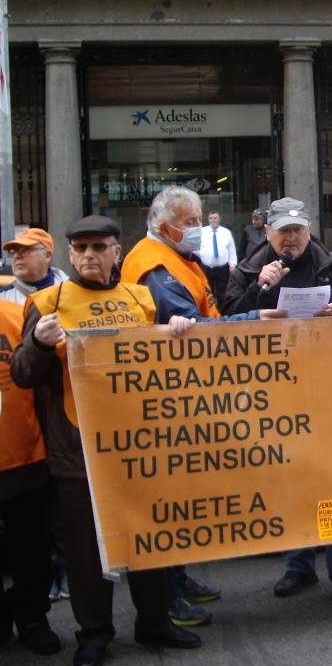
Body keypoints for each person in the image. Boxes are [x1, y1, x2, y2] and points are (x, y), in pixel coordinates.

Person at [12, 215, 202, 666]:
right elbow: (21, 373)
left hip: (141, 446)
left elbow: (165, 363)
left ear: (118, 252)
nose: (89, 256)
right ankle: (94, 633)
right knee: (84, 551)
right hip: (78, 453)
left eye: (99, 247)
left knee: (150, 538)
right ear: (70, 255)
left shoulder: (141, 298)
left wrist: (177, 329)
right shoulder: (48, 302)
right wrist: (38, 344)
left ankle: (153, 622)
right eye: (80, 249)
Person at [224, 198, 332, 606]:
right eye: (284, 231)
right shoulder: (248, 269)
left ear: (308, 230)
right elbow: (226, 321)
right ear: (268, 233)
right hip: (275, 391)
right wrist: (260, 288)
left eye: (298, 230)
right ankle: (299, 566)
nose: (292, 238)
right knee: (290, 479)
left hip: (331, 388)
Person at [120, 187, 233, 626]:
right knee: (166, 498)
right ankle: (165, 595)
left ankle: (178, 576)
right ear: (165, 226)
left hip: (189, 390)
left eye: (199, 219)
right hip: (167, 397)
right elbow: (194, 327)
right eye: (190, 222)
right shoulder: (153, 266)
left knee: (181, 494)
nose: (199, 228)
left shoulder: (176, 258)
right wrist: (252, 325)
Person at [0, 298, 60, 658]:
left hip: (23, 453)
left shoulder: (13, 312)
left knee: (31, 547)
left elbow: (35, 373)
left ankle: (33, 618)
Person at [0, 228, 69, 304]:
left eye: (25, 250)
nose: (16, 256)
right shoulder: (3, 298)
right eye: (13, 251)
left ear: (47, 256)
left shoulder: (71, 292)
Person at [197, 211, 237, 304]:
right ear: (208, 220)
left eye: (215, 218)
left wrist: (233, 264)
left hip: (222, 268)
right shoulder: (202, 231)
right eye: (211, 218)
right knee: (207, 291)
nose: (213, 220)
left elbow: (231, 248)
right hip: (206, 267)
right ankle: (209, 312)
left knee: (222, 291)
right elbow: (196, 247)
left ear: (219, 219)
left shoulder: (226, 232)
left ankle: (222, 311)